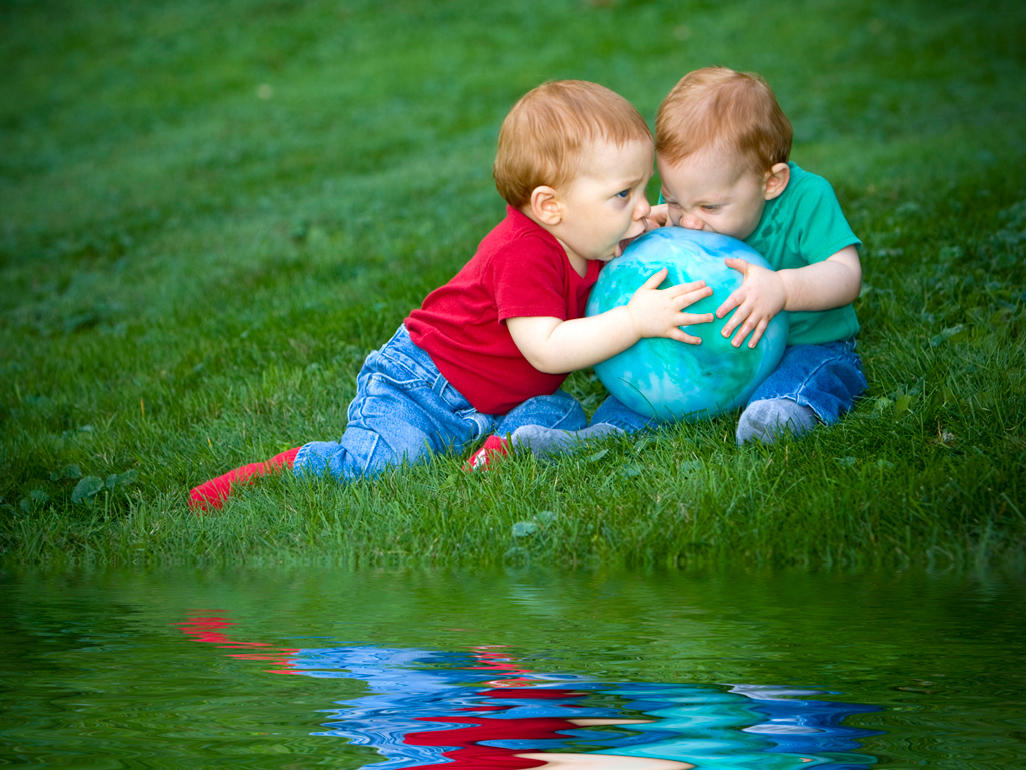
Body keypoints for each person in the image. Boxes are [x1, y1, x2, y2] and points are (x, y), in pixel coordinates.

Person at [189, 80, 714, 509]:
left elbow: (634, 245)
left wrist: (665, 226)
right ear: (551, 207)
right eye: (625, 195)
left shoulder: (591, 232)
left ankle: (492, 453)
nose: (642, 206)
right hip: (423, 384)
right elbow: (548, 349)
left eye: (643, 190)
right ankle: (272, 474)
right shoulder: (523, 251)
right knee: (381, 467)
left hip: (505, 399)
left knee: (558, 418)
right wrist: (634, 321)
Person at [504, 66, 866, 456]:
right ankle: (600, 436)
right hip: (702, 350)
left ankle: (782, 413)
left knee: (808, 373)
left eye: (709, 205)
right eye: (674, 199)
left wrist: (783, 287)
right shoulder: (687, 213)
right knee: (646, 392)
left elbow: (846, 275)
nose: (688, 221)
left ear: (770, 182)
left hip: (803, 340)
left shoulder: (806, 199)